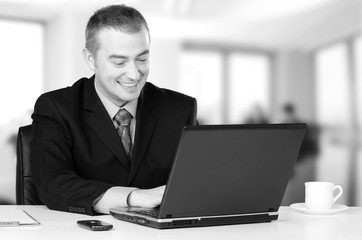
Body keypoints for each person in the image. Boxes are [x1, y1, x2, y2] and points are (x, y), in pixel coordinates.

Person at [30, 4, 198, 215]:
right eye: (119, 62)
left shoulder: (180, 109)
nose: (134, 74)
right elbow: (53, 184)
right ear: (90, 59)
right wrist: (133, 197)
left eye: (142, 59)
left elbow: (198, 180)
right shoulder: (56, 107)